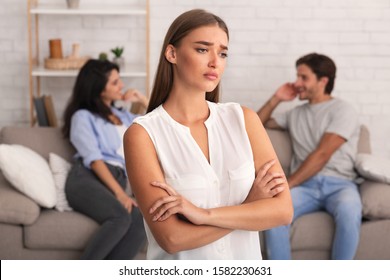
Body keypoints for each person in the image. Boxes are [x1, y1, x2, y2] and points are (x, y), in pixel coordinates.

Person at [123, 9, 293, 260]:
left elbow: (282, 211)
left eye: (222, 53)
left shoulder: (244, 120)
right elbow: (172, 238)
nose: (215, 61)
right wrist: (249, 207)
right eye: (202, 49)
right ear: (172, 53)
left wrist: (204, 215)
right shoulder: (143, 135)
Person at [257, 53, 362, 260]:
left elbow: (322, 154)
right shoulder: (294, 114)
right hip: (306, 187)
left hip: (339, 184)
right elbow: (255, 126)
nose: (297, 83)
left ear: (323, 81)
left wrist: (288, 184)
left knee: (350, 211)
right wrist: (276, 98)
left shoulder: (344, 110)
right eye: (297, 76)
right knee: (275, 213)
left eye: (304, 78)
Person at [62, 59, 147, 260]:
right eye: (115, 82)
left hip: (116, 178)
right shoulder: (83, 117)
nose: (122, 86)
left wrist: (142, 100)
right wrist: (120, 194)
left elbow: (157, 127)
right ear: (99, 89)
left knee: (141, 221)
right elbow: (94, 160)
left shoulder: (123, 116)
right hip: (87, 179)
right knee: (120, 217)